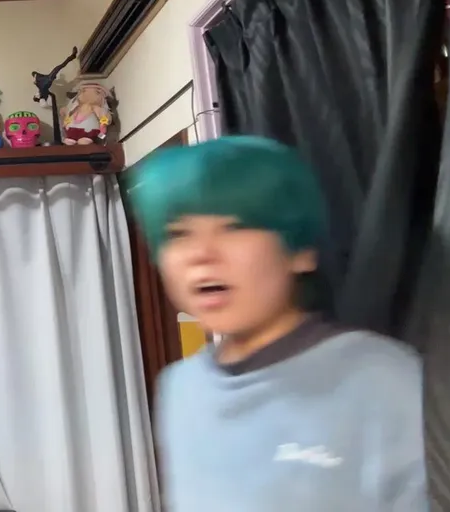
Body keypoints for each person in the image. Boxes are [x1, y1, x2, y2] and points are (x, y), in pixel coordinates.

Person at [128, 136, 425, 511]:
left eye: (234, 226)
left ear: (299, 251)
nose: (201, 253)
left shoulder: (384, 377)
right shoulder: (180, 388)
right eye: (179, 234)